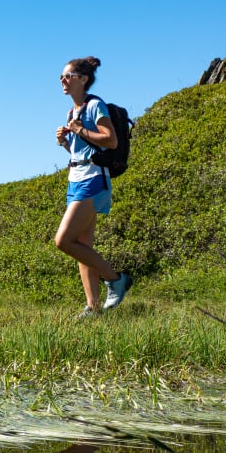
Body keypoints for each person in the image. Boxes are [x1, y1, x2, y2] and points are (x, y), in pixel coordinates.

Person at [54, 56, 133, 318]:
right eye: (61, 77)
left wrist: (79, 130)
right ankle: (93, 307)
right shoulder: (72, 112)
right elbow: (83, 148)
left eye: (68, 76)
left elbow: (109, 140)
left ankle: (116, 279)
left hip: (93, 178)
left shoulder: (94, 105)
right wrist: (66, 141)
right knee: (81, 245)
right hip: (76, 177)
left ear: (83, 79)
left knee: (63, 241)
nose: (62, 81)